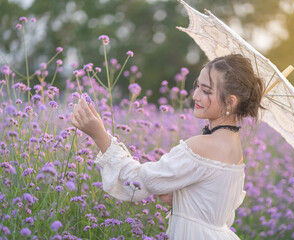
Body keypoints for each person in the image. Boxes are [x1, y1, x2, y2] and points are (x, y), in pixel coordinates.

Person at [71, 54, 264, 240]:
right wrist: (181, 198)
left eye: (206, 91)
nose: (195, 95)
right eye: (197, 85)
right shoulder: (234, 145)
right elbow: (214, 208)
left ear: (230, 101)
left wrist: (99, 135)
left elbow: (136, 182)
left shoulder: (201, 146)